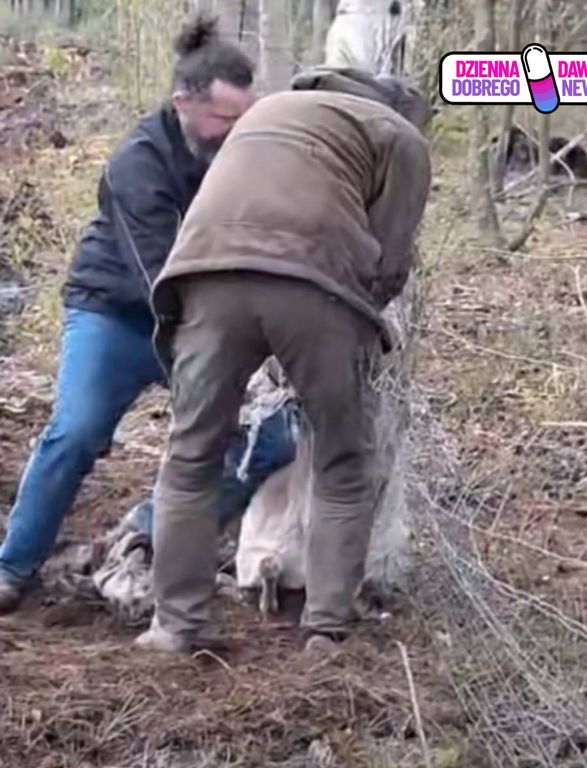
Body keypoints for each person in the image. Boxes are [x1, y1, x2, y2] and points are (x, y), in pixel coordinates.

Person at [0, 14, 296, 616]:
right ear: (182, 101)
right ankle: (14, 564)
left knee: (273, 439)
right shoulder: (137, 163)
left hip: (201, 320)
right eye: (223, 119)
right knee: (77, 431)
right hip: (119, 315)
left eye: (245, 116)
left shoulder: (242, 151)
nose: (234, 131)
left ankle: (144, 533)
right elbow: (163, 279)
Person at [132, 67, 432, 657]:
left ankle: (176, 625)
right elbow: (390, 258)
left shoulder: (270, 110)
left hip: (204, 274)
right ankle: (327, 626)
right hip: (314, 283)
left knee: (191, 457)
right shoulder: (398, 136)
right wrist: (353, 329)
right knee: (343, 459)